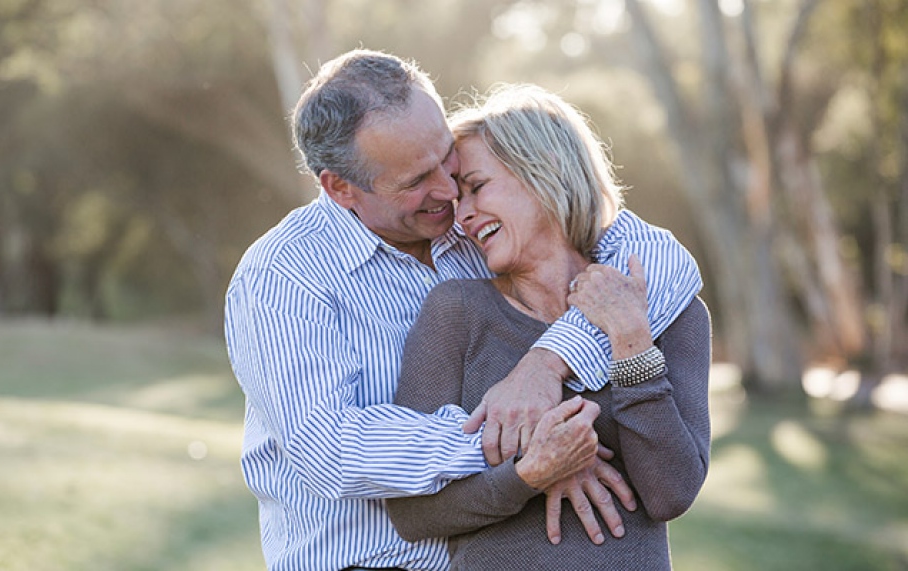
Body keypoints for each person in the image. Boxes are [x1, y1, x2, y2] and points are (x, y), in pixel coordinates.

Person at [224, 49, 701, 571]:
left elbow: (659, 261)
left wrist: (547, 363)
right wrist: (527, 446)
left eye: (447, 161)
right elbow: (328, 451)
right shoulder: (284, 275)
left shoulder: (476, 229)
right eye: (415, 181)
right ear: (340, 187)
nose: (448, 191)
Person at [385, 84, 711, 570]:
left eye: (476, 187)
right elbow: (411, 513)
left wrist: (630, 343)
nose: (465, 215)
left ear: (547, 170)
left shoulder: (668, 312)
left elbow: (671, 495)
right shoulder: (456, 312)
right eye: (459, 200)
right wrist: (530, 475)